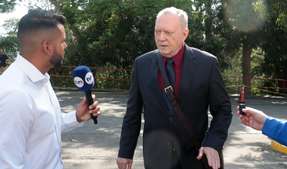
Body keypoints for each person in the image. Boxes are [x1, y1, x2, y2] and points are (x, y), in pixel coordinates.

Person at [116, 7, 232, 169]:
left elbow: (223, 109)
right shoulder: (141, 64)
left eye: (168, 32)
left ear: (185, 34)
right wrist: (125, 151)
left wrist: (213, 143)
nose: (161, 38)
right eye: (157, 32)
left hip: (196, 156)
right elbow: (132, 113)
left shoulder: (207, 64)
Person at [0, 9, 101, 169]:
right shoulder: (15, 94)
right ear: (47, 47)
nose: (66, 45)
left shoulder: (41, 78)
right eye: (62, 41)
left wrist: (76, 116)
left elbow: (45, 128)